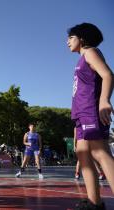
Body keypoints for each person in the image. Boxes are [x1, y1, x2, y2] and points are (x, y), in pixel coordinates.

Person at [67, 23, 114, 210]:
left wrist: (104, 100)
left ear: (82, 38)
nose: (67, 41)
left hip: (91, 110)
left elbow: (108, 75)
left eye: (71, 37)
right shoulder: (81, 59)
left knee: (100, 152)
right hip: (81, 113)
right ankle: (94, 203)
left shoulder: (90, 52)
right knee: (83, 153)